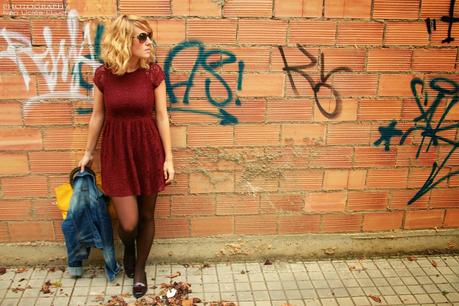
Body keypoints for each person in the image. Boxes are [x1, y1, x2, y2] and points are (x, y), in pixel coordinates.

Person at [77, 13, 175, 299]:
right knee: (128, 223)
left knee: (146, 215)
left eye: (149, 36)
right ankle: (128, 246)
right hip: (117, 152)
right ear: (124, 40)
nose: (149, 42)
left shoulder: (153, 73)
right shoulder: (104, 75)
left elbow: (162, 116)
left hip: (147, 149)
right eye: (142, 37)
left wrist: (169, 158)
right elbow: (97, 116)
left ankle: (140, 268)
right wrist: (88, 153)